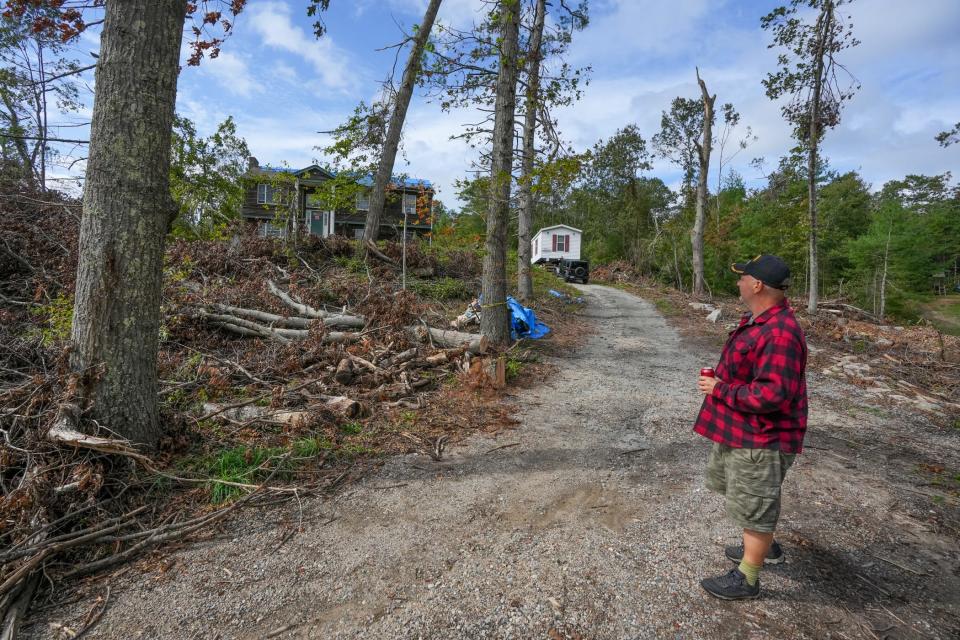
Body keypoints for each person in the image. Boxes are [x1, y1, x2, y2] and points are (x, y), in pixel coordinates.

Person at [693, 254, 808, 600]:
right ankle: (763, 548)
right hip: (746, 431)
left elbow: (774, 394)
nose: (738, 282)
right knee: (753, 498)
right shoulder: (760, 320)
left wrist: (721, 389)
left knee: (757, 504)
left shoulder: (781, 332)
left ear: (757, 285)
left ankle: (748, 578)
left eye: (743, 278)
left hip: (763, 437)